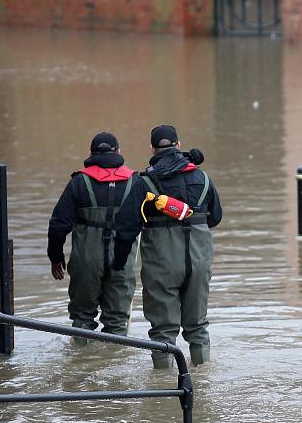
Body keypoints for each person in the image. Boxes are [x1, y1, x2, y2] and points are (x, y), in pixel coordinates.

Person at [113, 124, 222, 368]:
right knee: (198, 326)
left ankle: (163, 383)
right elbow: (216, 217)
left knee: (163, 331)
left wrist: (119, 263)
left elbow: (125, 228)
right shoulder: (203, 178)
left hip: (161, 264)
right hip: (199, 261)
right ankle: (202, 378)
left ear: (152, 148)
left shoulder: (144, 182)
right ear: (179, 146)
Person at [47, 132, 138, 340]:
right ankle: (114, 359)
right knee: (117, 322)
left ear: (90, 153)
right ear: (119, 151)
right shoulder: (135, 181)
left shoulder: (79, 182)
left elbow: (58, 225)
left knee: (82, 319)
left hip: (86, 259)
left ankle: (81, 358)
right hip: (122, 260)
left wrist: (55, 257)